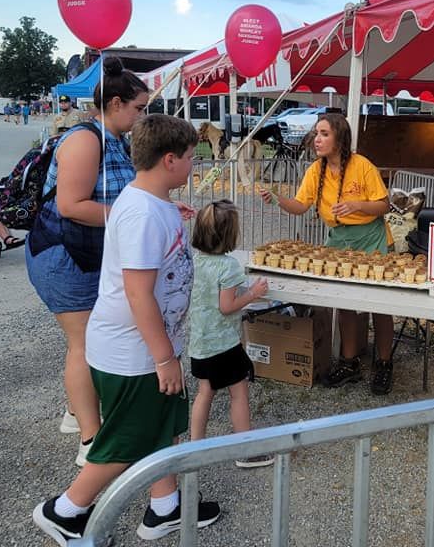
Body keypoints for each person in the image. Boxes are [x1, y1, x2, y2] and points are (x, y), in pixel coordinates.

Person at [32, 114, 221, 545]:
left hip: (143, 349)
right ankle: (66, 511)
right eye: (192, 157)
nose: (195, 164)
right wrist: (163, 357)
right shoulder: (142, 215)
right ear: (169, 160)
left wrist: (170, 210)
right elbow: (139, 294)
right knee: (125, 440)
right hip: (134, 354)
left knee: (159, 425)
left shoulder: (149, 203)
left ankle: (165, 508)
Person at [26, 59, 150, 467]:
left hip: (84, 254)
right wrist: (131, 216)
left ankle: (76, 410)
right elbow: (71, 205)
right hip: (63, 256)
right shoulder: (85, 140)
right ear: (115, 103)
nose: (142, 115)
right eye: (138, 108)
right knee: (84, 344)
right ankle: (90, 440)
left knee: (88, 339)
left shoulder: (114, 138)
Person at [258, 112, 394, 395]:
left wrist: (357, 205)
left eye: (323, 134)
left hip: (372, 238)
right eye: (316, 134)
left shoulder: (362, 166)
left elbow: (384, 206)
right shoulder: (315, 171)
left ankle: (384, 363)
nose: (317, 140)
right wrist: (277, 198)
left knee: (381, 305)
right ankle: (349, 362)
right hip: (340, 240)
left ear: (340, 138)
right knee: (342, 301)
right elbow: (300, 206)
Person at [188, 200, 272, 467]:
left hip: (200, 342)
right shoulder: (229, 267)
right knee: (239, 393)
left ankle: (195, 446)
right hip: (224, 343)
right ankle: (245, 450)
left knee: (205, 392)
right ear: (230, 234)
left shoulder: (197, 260)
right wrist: (252, 294)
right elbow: (227, 307)